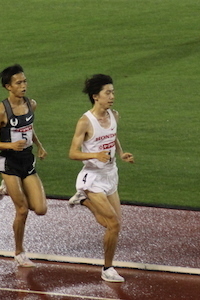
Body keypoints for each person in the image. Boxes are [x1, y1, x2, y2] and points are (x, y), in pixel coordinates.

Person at [68, 74, 134, 282]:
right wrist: (95, 155)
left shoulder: (114, 115)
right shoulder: (85, 122)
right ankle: (107, 269)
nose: (112, 96)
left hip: (111, 175)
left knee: (113, 225)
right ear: (96, 96)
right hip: (92, 178)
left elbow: (112, 137)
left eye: (113, 92)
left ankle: (84, 201)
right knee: (113, 224)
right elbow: (73, 153)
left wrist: (121, 154)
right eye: (108, 92)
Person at [0, 64, 47, 267]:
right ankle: (19, 252)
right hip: (9, 162)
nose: (24, 85)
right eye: (19, 83)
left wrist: (39, 145)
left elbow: (28, 128)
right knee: (22, 210)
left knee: (40, 208)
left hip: (27, 160)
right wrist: (10, 145)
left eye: (25, 81)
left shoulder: (31, 104)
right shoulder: (1, 111)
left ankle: (8, 188)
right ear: (8, 87)